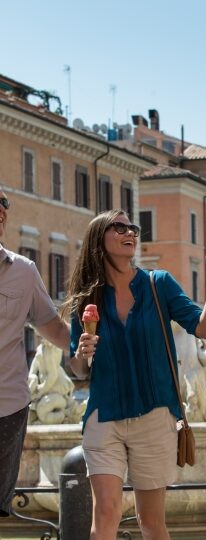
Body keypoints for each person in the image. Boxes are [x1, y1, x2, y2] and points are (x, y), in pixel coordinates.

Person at [63, 209, 206, 540]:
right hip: (104, 417)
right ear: (100, 238)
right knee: (106, 511)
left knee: (150, 521)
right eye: (120, 226)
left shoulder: (159, 285)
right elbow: (80, 373)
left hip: (155, 415)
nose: (130, 232)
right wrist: (82, 353)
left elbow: (205, 329)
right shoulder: (88, 299)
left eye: (133, 227)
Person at [0, 187, 70, 517]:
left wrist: (87, 347)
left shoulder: (24, 271)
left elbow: (52, 326)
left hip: (7, 407)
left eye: (2, 211)